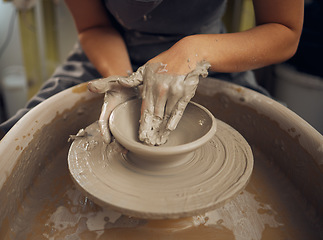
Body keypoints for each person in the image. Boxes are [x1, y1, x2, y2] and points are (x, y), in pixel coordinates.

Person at [0, 0, 304, 143]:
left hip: (213, 52)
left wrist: (194, 51)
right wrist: (122, 81)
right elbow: (94, 27)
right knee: (13, 139)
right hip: (111, 50)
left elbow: (285, 31)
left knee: (281, 145)